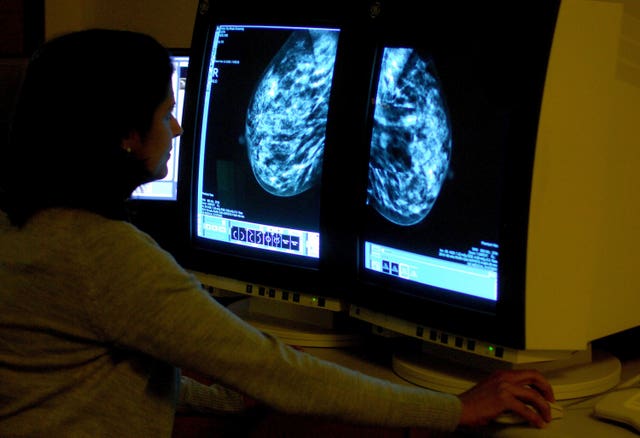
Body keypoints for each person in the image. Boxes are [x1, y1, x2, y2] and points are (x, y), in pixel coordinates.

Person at [0, 29, 555, 437]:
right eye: (167, 111)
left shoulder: (25, 226)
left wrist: (220, 401)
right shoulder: (104, 257)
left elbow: (84, 376)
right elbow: (276, 373)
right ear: (125, 134)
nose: (177, 127)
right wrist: (457, 410)